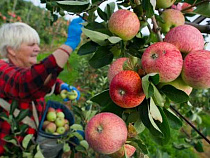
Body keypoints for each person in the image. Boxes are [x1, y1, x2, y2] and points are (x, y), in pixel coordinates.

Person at [0, 17, 84, 156]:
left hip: (29, 145)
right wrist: (68, 45)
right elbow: (25, 83)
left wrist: (61, 86)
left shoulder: (25, 67)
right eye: (31, 45)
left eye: (38, 45)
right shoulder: (1, 69)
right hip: (9, 150)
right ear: (12, 50)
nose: (38, 49)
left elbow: (39, 77)